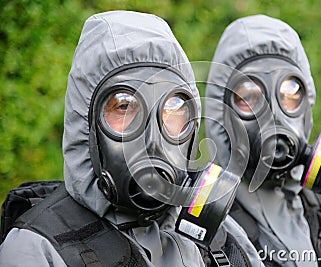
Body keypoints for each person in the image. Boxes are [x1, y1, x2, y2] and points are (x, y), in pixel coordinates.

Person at [0, 11, 263, 266]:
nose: (152, 139)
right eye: (124, 106)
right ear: (88, 127)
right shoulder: (40, 249)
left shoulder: (218, 237)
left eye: (171, 108)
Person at [205, 15, 321, 266]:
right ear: (222, 115)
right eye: (249, 98)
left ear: (306, 104)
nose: (273, 115)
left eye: (289, 92)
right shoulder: (203, 237)